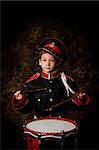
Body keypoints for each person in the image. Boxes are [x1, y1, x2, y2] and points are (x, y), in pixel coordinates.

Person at [12, 37, 91, 150]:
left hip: (62, 127)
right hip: (39, 126)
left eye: (52, 60)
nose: (47, 63)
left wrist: (80, 98)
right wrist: (20, 100)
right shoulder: (32, 82)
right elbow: (28, 108)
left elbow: (72, 106)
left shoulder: (67, 81)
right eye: (44, 60)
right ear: (39, 62)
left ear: (57, 62)